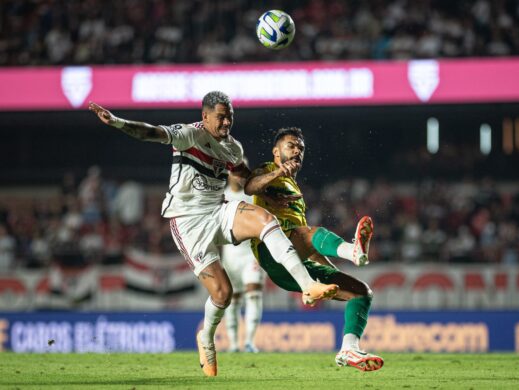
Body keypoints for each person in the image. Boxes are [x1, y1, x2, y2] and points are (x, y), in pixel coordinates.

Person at [88, 91, 339, 377]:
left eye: (230, 116)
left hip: (218, 211)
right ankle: (206, 337)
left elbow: (248, 183)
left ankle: (308, 285)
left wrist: (275, 178)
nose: (226, 122)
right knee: (223, 293)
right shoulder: (188, 135)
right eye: (221, 116)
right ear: (204, 115)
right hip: (187, 223)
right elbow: (151, 133)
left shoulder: (232, 148)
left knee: (265, 220)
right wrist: (118, 122)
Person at [245, 127, 384, 372]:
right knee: (306, 232)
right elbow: (250, 187)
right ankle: (354, 251)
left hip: (295, 263)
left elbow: (309, 247)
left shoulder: (296, 192)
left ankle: (349, 349)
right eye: (291, 146)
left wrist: (333, 276)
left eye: (301, 148)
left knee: (362, 292)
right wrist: (277, 171)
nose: (297, 151)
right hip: (272, 253)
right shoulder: (267, 169)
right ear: (276, 151)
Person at [220, 171, 264, 353]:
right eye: (234, 173)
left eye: (240, 173)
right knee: (232, 299)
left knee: (254, 295)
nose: (238, 177)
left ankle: (249, 342)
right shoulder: (220, 196)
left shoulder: (252, 196)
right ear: (228, 175)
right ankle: (233, 344)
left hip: (250, 254)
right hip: (230, 255)